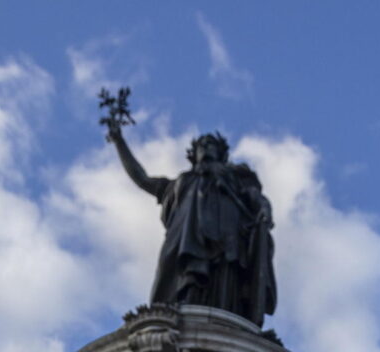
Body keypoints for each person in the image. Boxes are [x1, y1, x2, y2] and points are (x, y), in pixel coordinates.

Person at [107, 118, 277, 327]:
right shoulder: (180, 184)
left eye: (210, 144)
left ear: (221, 153)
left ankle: (225, 321)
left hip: (228, 245)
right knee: (186, 283)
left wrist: (265, 212)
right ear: (193, 154)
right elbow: (142, 178)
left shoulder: (236, 179)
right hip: (185, 245)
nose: (205, 148)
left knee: (225, 289)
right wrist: (119, 142)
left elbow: (257, 199)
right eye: (201, 145)